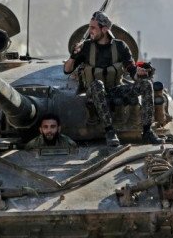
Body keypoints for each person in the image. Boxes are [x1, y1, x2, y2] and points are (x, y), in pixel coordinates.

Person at [63, 11, 164, 147]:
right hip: (94, 93)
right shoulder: (86, 47)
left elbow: (132, 71)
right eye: (89, 27)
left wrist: (139, 73)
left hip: (116, 89)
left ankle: (147, 131)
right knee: (97, 84)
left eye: (93, 28)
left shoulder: (120, 47)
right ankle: (109, 131)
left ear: (104, 29)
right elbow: (67, 70)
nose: (90, 31)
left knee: (146, 84)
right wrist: (74, 55)